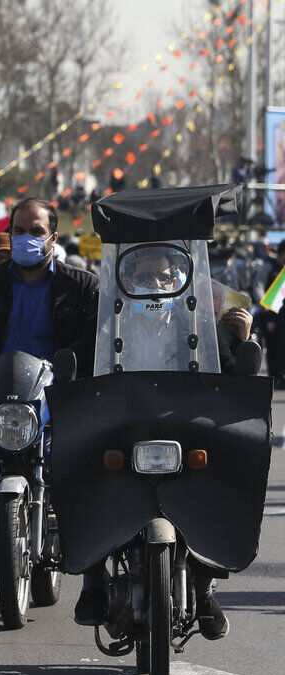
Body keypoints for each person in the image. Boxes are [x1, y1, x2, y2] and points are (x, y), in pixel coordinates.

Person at [72, 242, 250, 639]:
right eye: (144, 276)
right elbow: (80, 376)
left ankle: (205, 593)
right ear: (127, 280)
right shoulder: (104, 327)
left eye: (164, 276)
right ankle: (92, 584)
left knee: (217, 481)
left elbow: (234, 380)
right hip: (121, 430)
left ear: (179, 279)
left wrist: (242, 339)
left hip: (186, 434)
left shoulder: (201, 327)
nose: (155, 284)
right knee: (83, 475)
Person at [0, 199, 98, 563]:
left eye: (36, 231)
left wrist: (76, 365)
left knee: (92, 443)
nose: (26, 238)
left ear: (53, 237)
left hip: (58, 392)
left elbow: (100, 338)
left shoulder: (83, 286)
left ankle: (87, 534)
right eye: (19, 231)